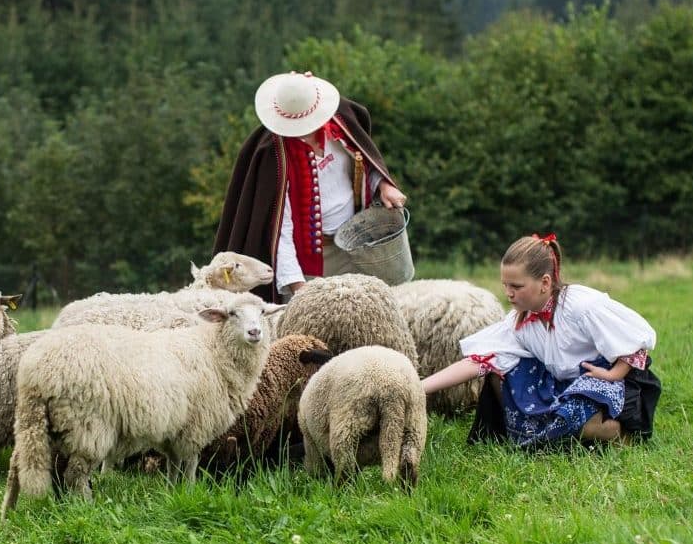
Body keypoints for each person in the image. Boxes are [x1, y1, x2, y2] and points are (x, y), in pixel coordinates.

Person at [421, 233, 662, 449]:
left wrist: (613, 375)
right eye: (505, 285)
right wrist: (419, 387)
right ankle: (543, 438)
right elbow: (479, 362)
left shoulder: (582, 306)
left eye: (516, 286)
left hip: (618, 379)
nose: (509, 293)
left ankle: (620, 435)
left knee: (578, 416)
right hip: (564, 382)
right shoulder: (518, 322)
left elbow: (635, 342)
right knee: (499, 372)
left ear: (545, 283)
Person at [213, 71, 407, 302]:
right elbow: (280, 230)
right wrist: (299, 287)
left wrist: (383, 184)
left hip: (357, 246)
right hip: (308, 262)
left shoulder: (340, 126)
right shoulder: (274, 157)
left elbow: (364, 163)